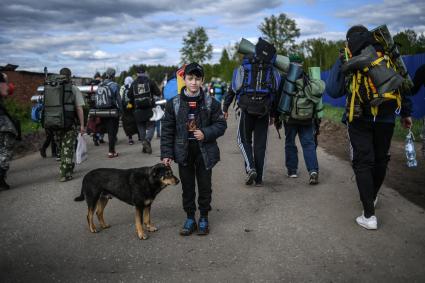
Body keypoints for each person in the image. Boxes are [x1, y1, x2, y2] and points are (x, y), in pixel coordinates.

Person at [326, 25, 413, 230]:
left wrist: (340, 61)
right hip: (387, 116)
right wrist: (406, 113)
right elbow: (401, 84)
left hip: (358, 117)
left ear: (349, 40)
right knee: (381, 158)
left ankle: (369, 215)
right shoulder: (386, 53)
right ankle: (371, 197)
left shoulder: (348, 56)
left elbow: (333, 90)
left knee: (363, 162)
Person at [161, 63, 227, 236]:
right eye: (190, 78)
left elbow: (221, 125)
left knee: (205, 186)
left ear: (202, 80)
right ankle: (190, 217)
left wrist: (205, 133)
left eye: (197, 79)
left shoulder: (211, 103)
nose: (194, 82)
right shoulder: (173, 104)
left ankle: (204, 217)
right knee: (187, 187)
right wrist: (167, 153)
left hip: (204, 152)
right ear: (184, 79)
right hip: (183, 152)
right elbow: (167, 130)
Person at [224, 38, 281, 187]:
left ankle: (250, 169)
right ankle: (259, 178)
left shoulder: (245, 65)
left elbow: (233, 88)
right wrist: (274, 114)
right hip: (264, 109)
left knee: (243, 140)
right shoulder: (271, 68)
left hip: (246, 108)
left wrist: (225, 108)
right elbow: (275, 93)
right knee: (260, 144)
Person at [276, 55, 325, 185]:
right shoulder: (309, 78)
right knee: (308, 144)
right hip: (307, 118)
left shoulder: (285, 79)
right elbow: (315, 99)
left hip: (290, 119)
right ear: (301, 64)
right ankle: (313, 171)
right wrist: (316, 118)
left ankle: (292, 170)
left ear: (289, 64)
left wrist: (277, 118)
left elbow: (279, 99)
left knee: (290, 143)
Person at [49, 68, 85, 182]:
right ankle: (65, 174)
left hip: (55, 123)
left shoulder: (51, 87)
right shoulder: (73, 88)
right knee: (67, 149)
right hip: (69, 123)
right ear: (70, 76)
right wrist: (82, 125)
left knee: (61, 148)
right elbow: (79, 108)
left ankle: (68, 166)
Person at [128, 66, 161, 154]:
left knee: (141, 127)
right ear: (145, 72)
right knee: (151, 126)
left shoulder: (133, 83)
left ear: (137, 74)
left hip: (138, 110)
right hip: (150, 109)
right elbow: (158, 93)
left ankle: (144, 144)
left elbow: (129, 95)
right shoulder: (150, 82)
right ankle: (147, 140)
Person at [0, 73, 20, 190]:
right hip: (2, 122)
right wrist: (5, 81)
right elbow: (4, 91)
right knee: (5, 150)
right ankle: (0, 178)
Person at [97, 68, 121, 158]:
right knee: (112, 132)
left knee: (105, 128)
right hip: (112, 111)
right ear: (113, 75)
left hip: (101, 110)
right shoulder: (115, 85)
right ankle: (111, 151)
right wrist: (121, 111)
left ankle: (99, 138)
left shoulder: (100, 84)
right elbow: (118, 100)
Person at [120, 76, 138, 145]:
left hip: (125, 107)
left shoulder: (122, 87)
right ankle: (140, 136)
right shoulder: (134, 86)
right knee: (135, 120)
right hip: (132, 106)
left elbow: (120, 97)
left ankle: (130, 139)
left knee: (127, 123)